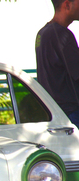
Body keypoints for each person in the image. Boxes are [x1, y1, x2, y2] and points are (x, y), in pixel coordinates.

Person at [35, 0, 79, 128]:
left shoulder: (42, 33)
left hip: (53, 111)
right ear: (67, 5)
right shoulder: (63, 35)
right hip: (71, 113)